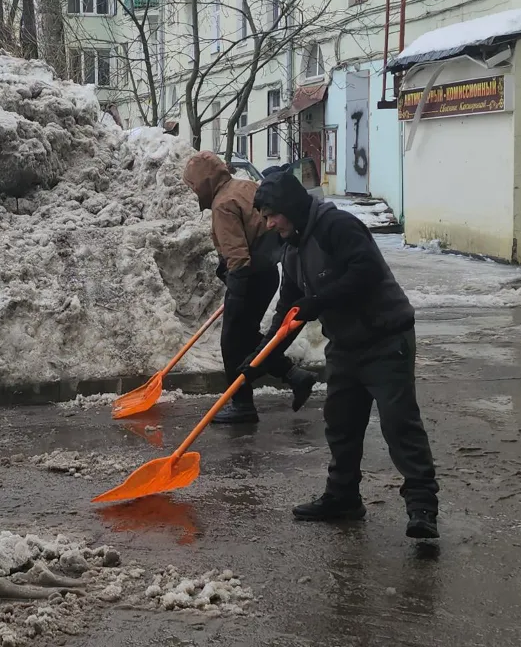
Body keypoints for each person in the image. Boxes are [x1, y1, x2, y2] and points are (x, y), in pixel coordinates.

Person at [244, 170, 440, 539]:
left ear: (289, 207)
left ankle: (422, 507)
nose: (269, 224)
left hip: (385, 337)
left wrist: (318, 301)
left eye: (272, 215)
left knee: (399, 425)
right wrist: (262, 355)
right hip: (346, 346)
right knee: (341, 424)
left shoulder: (337, 226)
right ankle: (343, 498)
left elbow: (364, 271)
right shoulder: (293, 249)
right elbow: (289, 307)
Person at [182, 151, 317, 424]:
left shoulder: (222, 204)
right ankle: (294, 375)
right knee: (245, 338)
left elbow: (237, 256)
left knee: (231, 343)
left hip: (249, 276)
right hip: (267, 274)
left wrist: (237, 295)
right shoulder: (244, 186)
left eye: (193, 185)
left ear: (204, 183)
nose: (193, 190)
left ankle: (242, 404)